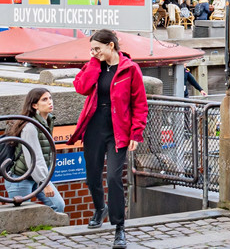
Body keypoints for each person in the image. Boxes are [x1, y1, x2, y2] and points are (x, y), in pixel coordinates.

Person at [68, 30, 148, 249]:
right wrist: (94, 63)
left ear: (111, 46)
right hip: (94, 127)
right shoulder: (94, 65)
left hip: (118, 130)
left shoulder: (130, 69)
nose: (94, 52)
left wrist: (136, 133)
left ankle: (119, 228)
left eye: (97, 48)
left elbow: (140, 104)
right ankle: (99, 207)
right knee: (92, 176)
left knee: (113, 177)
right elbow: (81, 88)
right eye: (92, 49)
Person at [4, 87, 64, 213]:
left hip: (38, 177)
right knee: (21, 217)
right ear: (35, 105)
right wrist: (45, 183)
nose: (50, 102)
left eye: (50, 98)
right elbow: (34, 156)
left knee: (58, 205)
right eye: (44, 99)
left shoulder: (47, 120)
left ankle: (46, 233)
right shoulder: (30, 127)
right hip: (20, 178)